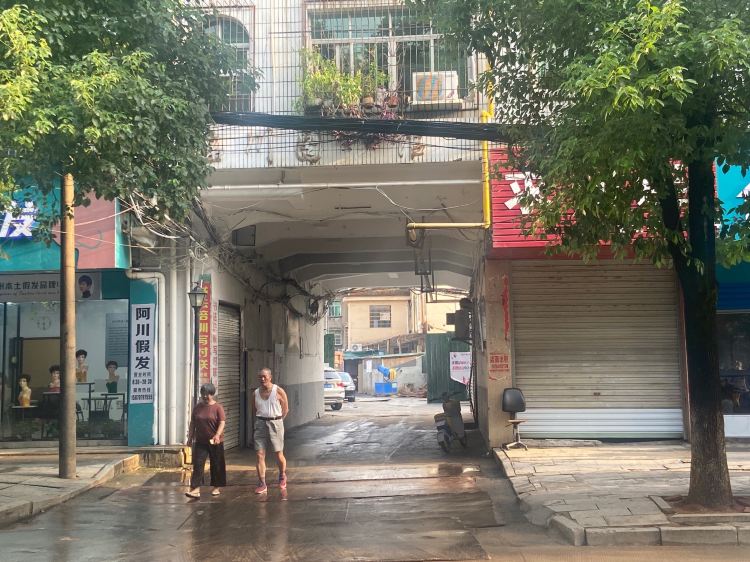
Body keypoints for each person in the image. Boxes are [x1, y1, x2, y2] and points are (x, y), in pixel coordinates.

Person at [186, 383, 226, 499]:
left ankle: (216, 487)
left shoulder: (218, 407)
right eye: (203, 394)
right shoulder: (197, 407)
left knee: (216, 464)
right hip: (200, 441)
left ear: (212, 394)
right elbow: (193, 423)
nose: (205, 396)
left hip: (215, 441)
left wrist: (217, 435)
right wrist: (190, 437)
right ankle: (195, 489)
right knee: (198, 464)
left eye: (207, 394)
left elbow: (222, 422)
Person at [252, 368, 289, 494]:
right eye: (260, 377)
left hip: (275, 422)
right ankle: (262, 483)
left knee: (278, 453)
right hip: (260, 423)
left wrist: (278, 420)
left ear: (270, 377)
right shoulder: (255, 393)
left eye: (264, 376)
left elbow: (285, 409)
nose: (262, 379)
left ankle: (282, 474)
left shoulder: (278, 391)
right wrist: (259, 421)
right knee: (259, 453)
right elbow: (254, 409)